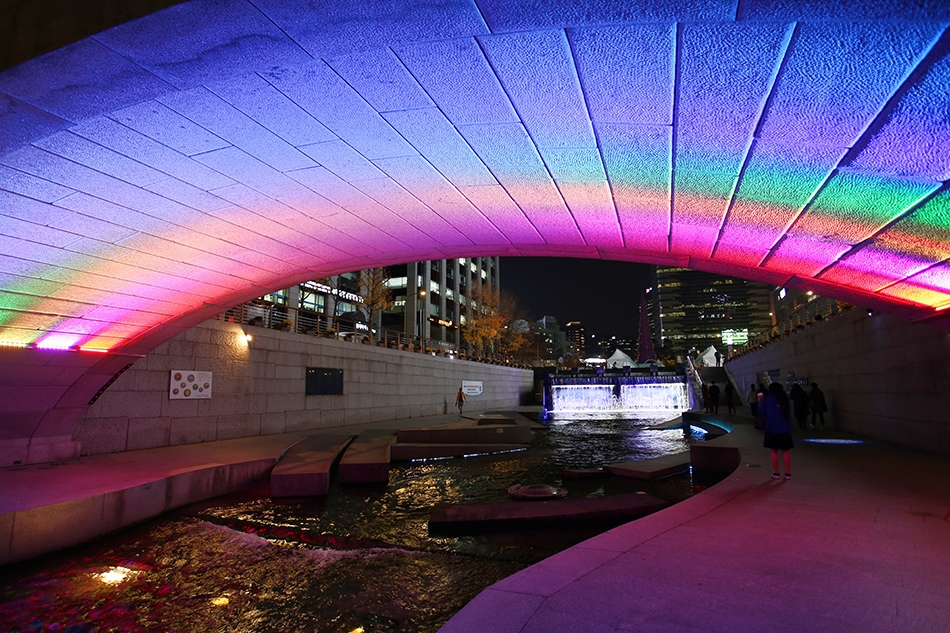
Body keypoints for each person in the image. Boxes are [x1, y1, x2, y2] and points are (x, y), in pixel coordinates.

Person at [763, 382, 794, 480]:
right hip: (785, 428)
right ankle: (788, 473)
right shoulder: (784, 398)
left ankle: (776, 473)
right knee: (785, 451)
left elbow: (762, 411)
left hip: (771, 428)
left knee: (774, 451)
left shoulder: (767, 398)